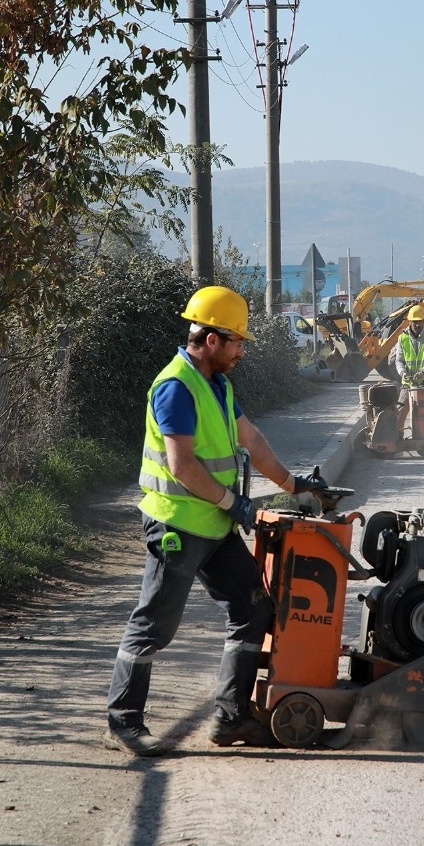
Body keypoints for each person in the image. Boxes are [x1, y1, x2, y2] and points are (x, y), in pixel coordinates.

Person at [104, 285, 327, 756]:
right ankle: (124, 720)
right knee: (155, 624)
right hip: (178, 527)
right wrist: (235, 504)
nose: (242, 351)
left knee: (253, 609)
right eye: (237, 342)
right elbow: (182, 465)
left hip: (215, 525)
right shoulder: (175, 387)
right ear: (210, 339)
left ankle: (232, 718)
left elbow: (253, 439)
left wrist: (295, 485)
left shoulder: (218, 385)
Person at [395, 304, 424, 435]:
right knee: (400, 412)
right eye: (415, 321)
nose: (418, 324)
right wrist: (403, 373)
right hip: (408, 384)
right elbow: (399, 361)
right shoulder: (402, 338)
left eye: (420, 321)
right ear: (410, 321)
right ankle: (398, 437)